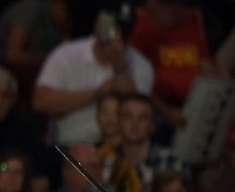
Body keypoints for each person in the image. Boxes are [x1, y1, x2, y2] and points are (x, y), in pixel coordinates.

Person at [33, 9, 154, 145]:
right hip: (69, 146)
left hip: (119, 150)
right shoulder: (66, 54)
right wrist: (96, 94)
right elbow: (40, 101)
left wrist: (120, 66)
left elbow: (137, 115)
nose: (113, 38)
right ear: (96, 27)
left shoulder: (141, 65)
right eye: (109, 30)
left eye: (121, 34)